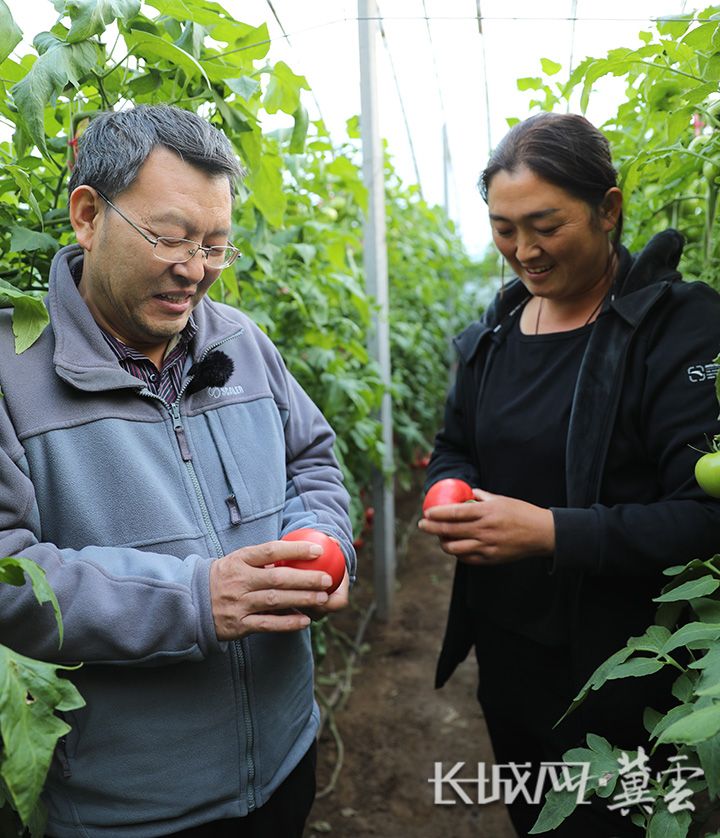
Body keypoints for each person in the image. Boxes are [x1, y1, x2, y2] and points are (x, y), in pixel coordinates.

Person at [0, 105, 355, 837]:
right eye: (169, 237)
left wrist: (323, 543)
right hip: (131, 809)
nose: (195, 269)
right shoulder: (12, 375)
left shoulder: (243, 344)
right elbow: (8, 574)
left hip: (285, 760)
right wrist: (193, 599)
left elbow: (313, 462)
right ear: (88, 214)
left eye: (216, 245)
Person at [419, 112, 720, 837]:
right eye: (503, 228)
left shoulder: (681, 332)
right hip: (511, 654)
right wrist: (445, 490)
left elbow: (706, 515)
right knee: (537, 817)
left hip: (631, 670)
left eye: (545, 225)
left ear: (608, 209)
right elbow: (454, 442)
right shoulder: (496, 332)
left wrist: (552, 532)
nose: (523, 250)